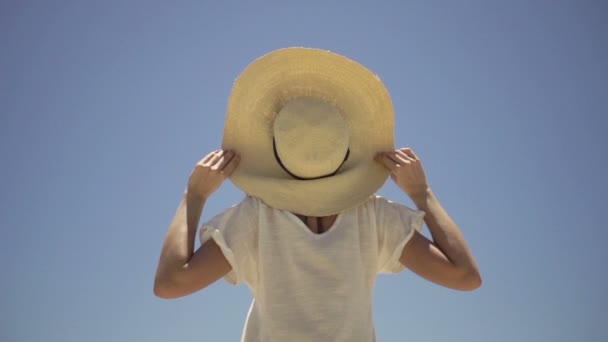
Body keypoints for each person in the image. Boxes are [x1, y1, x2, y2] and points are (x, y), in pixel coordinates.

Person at [154, 48, 481, 341]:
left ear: (276, 147)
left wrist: (193, 196)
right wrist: (421, 194)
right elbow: (464, 276)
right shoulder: (374, 217)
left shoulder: (257, 218)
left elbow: (171, 284)